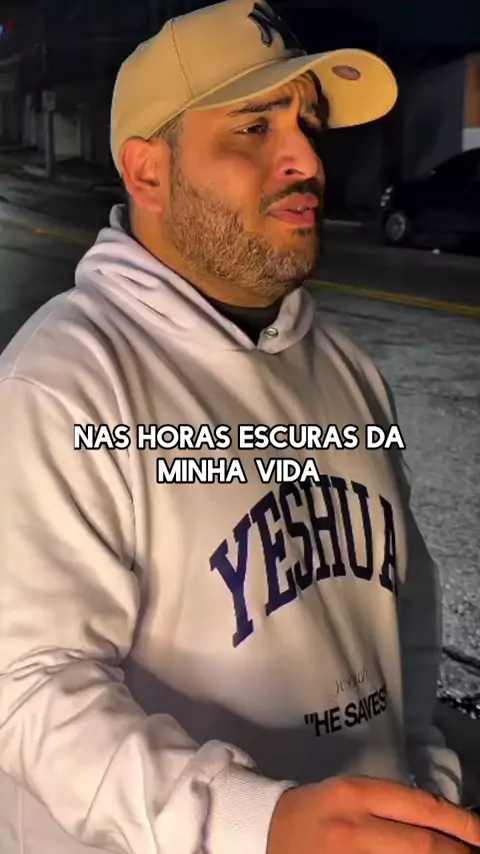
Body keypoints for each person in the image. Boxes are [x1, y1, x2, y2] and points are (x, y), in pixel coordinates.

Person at [0, 1, 478, 853]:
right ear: (148, 172)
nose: (307, 160)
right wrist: (258, 822)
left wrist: (421, 777)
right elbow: (29, 691)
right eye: (255, 127)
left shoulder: (347, 370)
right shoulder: (63, 385)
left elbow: (402, 606)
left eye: (308, 125)